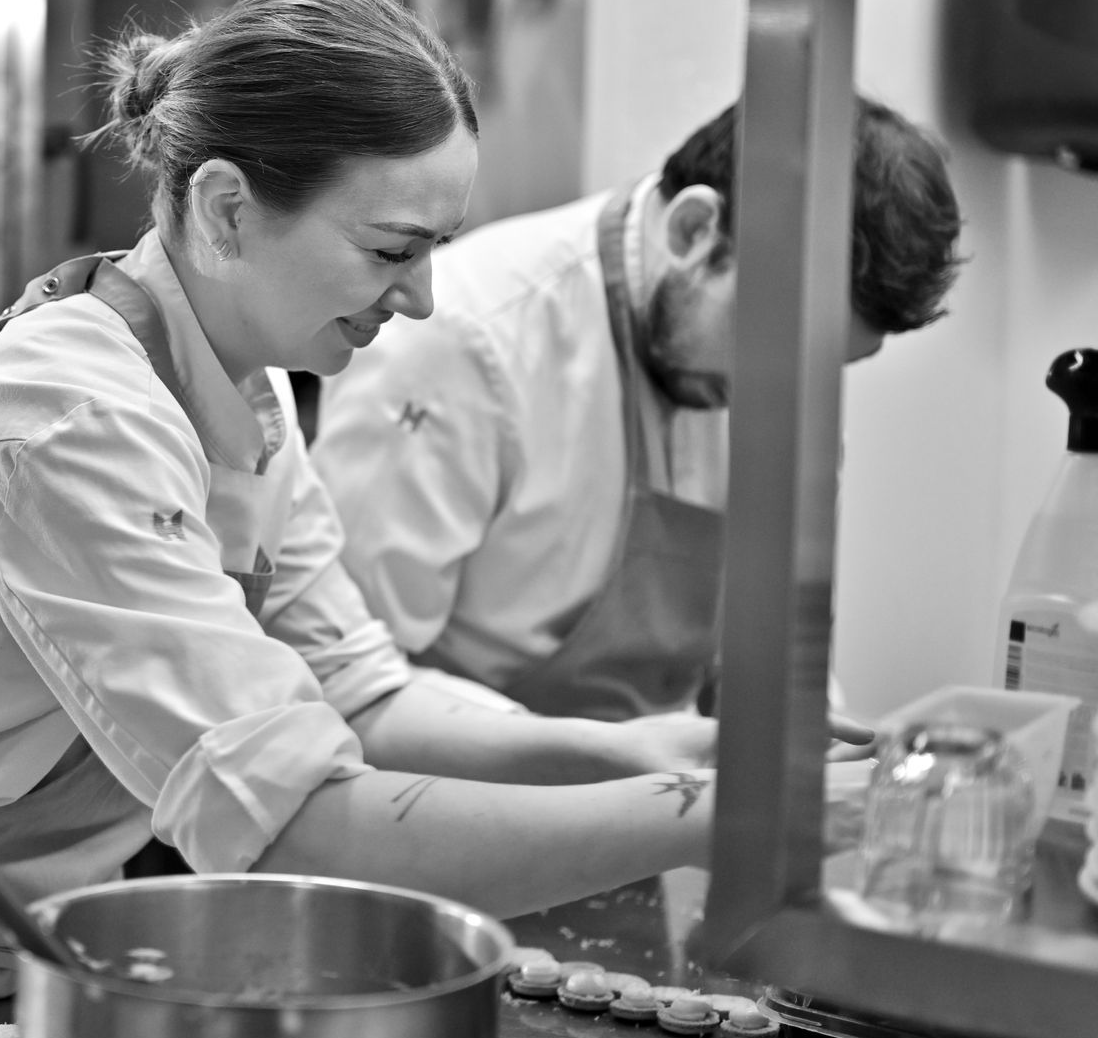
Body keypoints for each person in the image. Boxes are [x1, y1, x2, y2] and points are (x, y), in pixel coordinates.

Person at [0, 0, 738, 1038]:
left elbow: (363, 693)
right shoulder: (74, 419)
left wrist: (624, 751)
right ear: (227, 210)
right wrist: (704, 815)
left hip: (20, 964)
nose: (423, 298)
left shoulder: (249, 394)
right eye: (392, 250)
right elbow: (301, 826)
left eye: (435, 250)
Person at [310, 97, 964, 722]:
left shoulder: (782, 381)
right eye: (773, 344)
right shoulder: (462, 339)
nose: (781, 392)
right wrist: (607, 758)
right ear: (693, 230)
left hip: (662, 781)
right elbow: (346, 682)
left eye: (826, 366)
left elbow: (765, 658)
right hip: (463, 783)